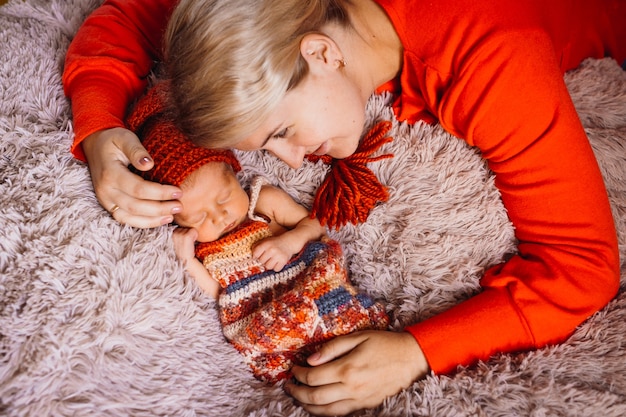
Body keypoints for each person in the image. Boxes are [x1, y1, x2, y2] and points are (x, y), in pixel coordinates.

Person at [62, 0, 625, 414]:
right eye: (266, 147)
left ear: (322, 52)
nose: (293, 162)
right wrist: (97, 128)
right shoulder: (260, 17)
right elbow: (129, 14)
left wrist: (415, 352)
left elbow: (582, 267)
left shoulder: (493, 60)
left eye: (282, 130)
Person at [126, 81, 390, 384]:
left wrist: (288, 242)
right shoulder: (205, 249)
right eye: (199, 217)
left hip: (309, 288)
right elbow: (223, 296)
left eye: (224, 197)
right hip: (265, 319)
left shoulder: (262, 202)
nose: (219, 215)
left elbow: (315, 224)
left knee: (339, 322)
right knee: (287, 360)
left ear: (235, 174)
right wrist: (187, 261)